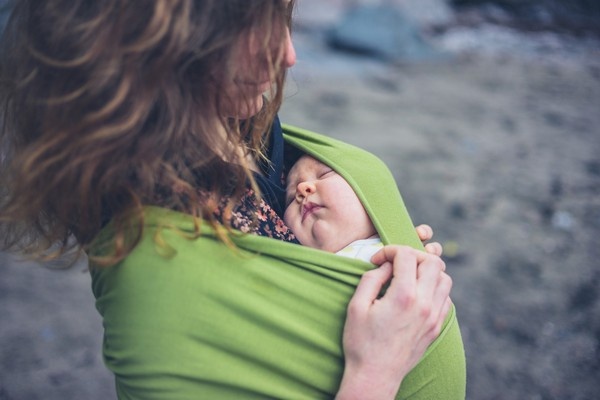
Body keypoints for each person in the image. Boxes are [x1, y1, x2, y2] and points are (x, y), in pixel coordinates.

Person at [0, 1, 465, 399]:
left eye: (283, 15)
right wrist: (376, 371)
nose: (288, 55)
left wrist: (367, 254)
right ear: (151, 42)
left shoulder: (237, 122)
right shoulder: (156, 294)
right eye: (248, 27)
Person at [284, 154, 442, 262]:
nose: (302, 188)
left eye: (325, 174)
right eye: (291, 198)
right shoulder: (300, 279)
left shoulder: (398, 252)